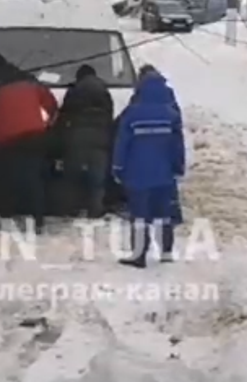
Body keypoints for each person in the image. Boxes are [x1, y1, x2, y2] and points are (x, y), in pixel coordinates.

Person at [112, 73, 185, 268]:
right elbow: (177, 146)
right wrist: (178, 167)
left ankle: (139, 255)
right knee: (164, 213)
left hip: (138, 174)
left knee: (139, 215)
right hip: (164, 174)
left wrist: (118, 167)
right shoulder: (171, 115)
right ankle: (166, 251)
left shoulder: (132, 114)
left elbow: (122, 143)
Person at [0, 53, 58, 232]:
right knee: (34, 179)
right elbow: (51, 104)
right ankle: (38, 220)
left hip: (7, 140)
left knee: (7, 179)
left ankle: (7, 217)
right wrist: (48, 124)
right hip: (35, 136)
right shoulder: (30, 84)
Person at [129, 64, 184, 228]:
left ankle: (145, 214)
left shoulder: (140, 95)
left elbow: (130, 118)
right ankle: (171, 214)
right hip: (167, 140)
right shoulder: (168, 93)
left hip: (143, 145)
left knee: (144, 183)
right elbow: (176, 117)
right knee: (167, 181)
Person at [58, 64, 114, 217]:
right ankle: (95, 209)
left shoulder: (74, 91)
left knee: (72, 177)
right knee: (97, 178)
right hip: (99, 139)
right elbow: (109, 116)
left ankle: (71, 208)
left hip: (77, 138)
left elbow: (64, 116)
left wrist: (61, 137)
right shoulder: (104, 91)